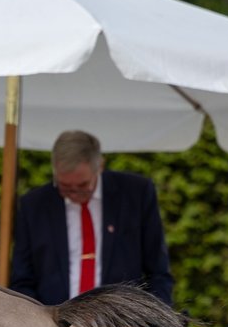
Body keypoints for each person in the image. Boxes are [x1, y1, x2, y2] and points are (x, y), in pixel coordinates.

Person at [10, 130, 173, 306]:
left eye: (82, 185)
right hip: (52, 324)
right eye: (64, 186)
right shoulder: (34, 205)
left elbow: (158, 272)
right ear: (54, 171)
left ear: (100, 167)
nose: (73, 193)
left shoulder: (136, 195)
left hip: (121, 324)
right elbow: (22, 280)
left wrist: (155, 323)